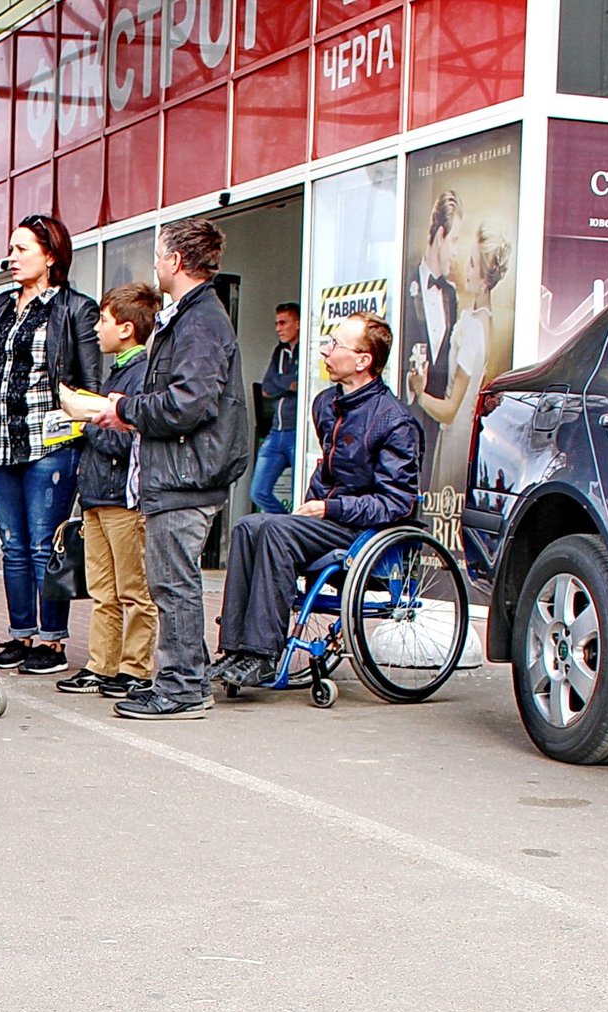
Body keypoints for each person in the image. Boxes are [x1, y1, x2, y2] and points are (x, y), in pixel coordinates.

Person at [87, 214, 251, 721]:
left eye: (159, 255)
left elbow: (190, 402)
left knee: (173, 583)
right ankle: (186, 677)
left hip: (187, 474)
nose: (155, 264)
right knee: (170, 580)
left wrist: (128, 410)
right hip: (181, 470)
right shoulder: (192, 316)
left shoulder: (200, 319)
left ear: (176, 261)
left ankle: (181, 689)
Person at [209, 312, 421, 690]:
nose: (325, 350)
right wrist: (314, 502)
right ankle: (235, 650)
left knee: (275, 531)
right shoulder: (326, 404)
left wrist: (328, 508)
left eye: (335, 344)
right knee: (248, 525)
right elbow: (328, 468)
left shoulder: (394, 421)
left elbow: (398, 501)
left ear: (362, 360)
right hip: (329, 521)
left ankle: (261, 655)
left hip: (361, 531)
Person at [0, 214, 99, 676]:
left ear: (50, 256)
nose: (11, 258)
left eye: (22, 249)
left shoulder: (75, 308)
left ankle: (52, 643)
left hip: (51, 445)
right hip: (2, 443)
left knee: (42, 546)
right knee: (12, 546)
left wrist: (92, 438)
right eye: (11, 249)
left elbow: (90, 383)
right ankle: (21, 634)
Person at [56, 283, 161, 701]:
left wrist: (86, 422)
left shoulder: (141, 375)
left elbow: (125, 438)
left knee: (133, 588)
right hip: (99, 495)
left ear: (127, 328)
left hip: (123, 496)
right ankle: (102, 664)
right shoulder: (117, 370)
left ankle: (134, 668)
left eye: (103, 321)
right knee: (102, 589)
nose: (97, 329)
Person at [409, 223, 511, 495]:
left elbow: (451, 410)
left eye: (473, 264)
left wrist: (420, 393)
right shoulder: (482, 321)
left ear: (485, 278)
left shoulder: (474, 329)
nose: (466, 268)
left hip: (456, 438)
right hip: (459, 433)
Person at [404, 190, 463, 404]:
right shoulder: (405, 284)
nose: (456, 252)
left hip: (438, 417)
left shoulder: (450, 294)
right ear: (440, 236)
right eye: (454, 240)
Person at [250, 303, 301, 514]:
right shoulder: (279, 351)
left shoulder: (308, 349)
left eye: (283, 323)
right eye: (276, 323)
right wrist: (287, 385)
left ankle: (297, 532)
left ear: (298, 324)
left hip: (297, 433)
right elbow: (266, 388)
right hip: (275, 431)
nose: (278, 328)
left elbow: (301, 384)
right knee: (258, 491)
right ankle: (287, 525)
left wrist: (283, 384)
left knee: (303, 492)